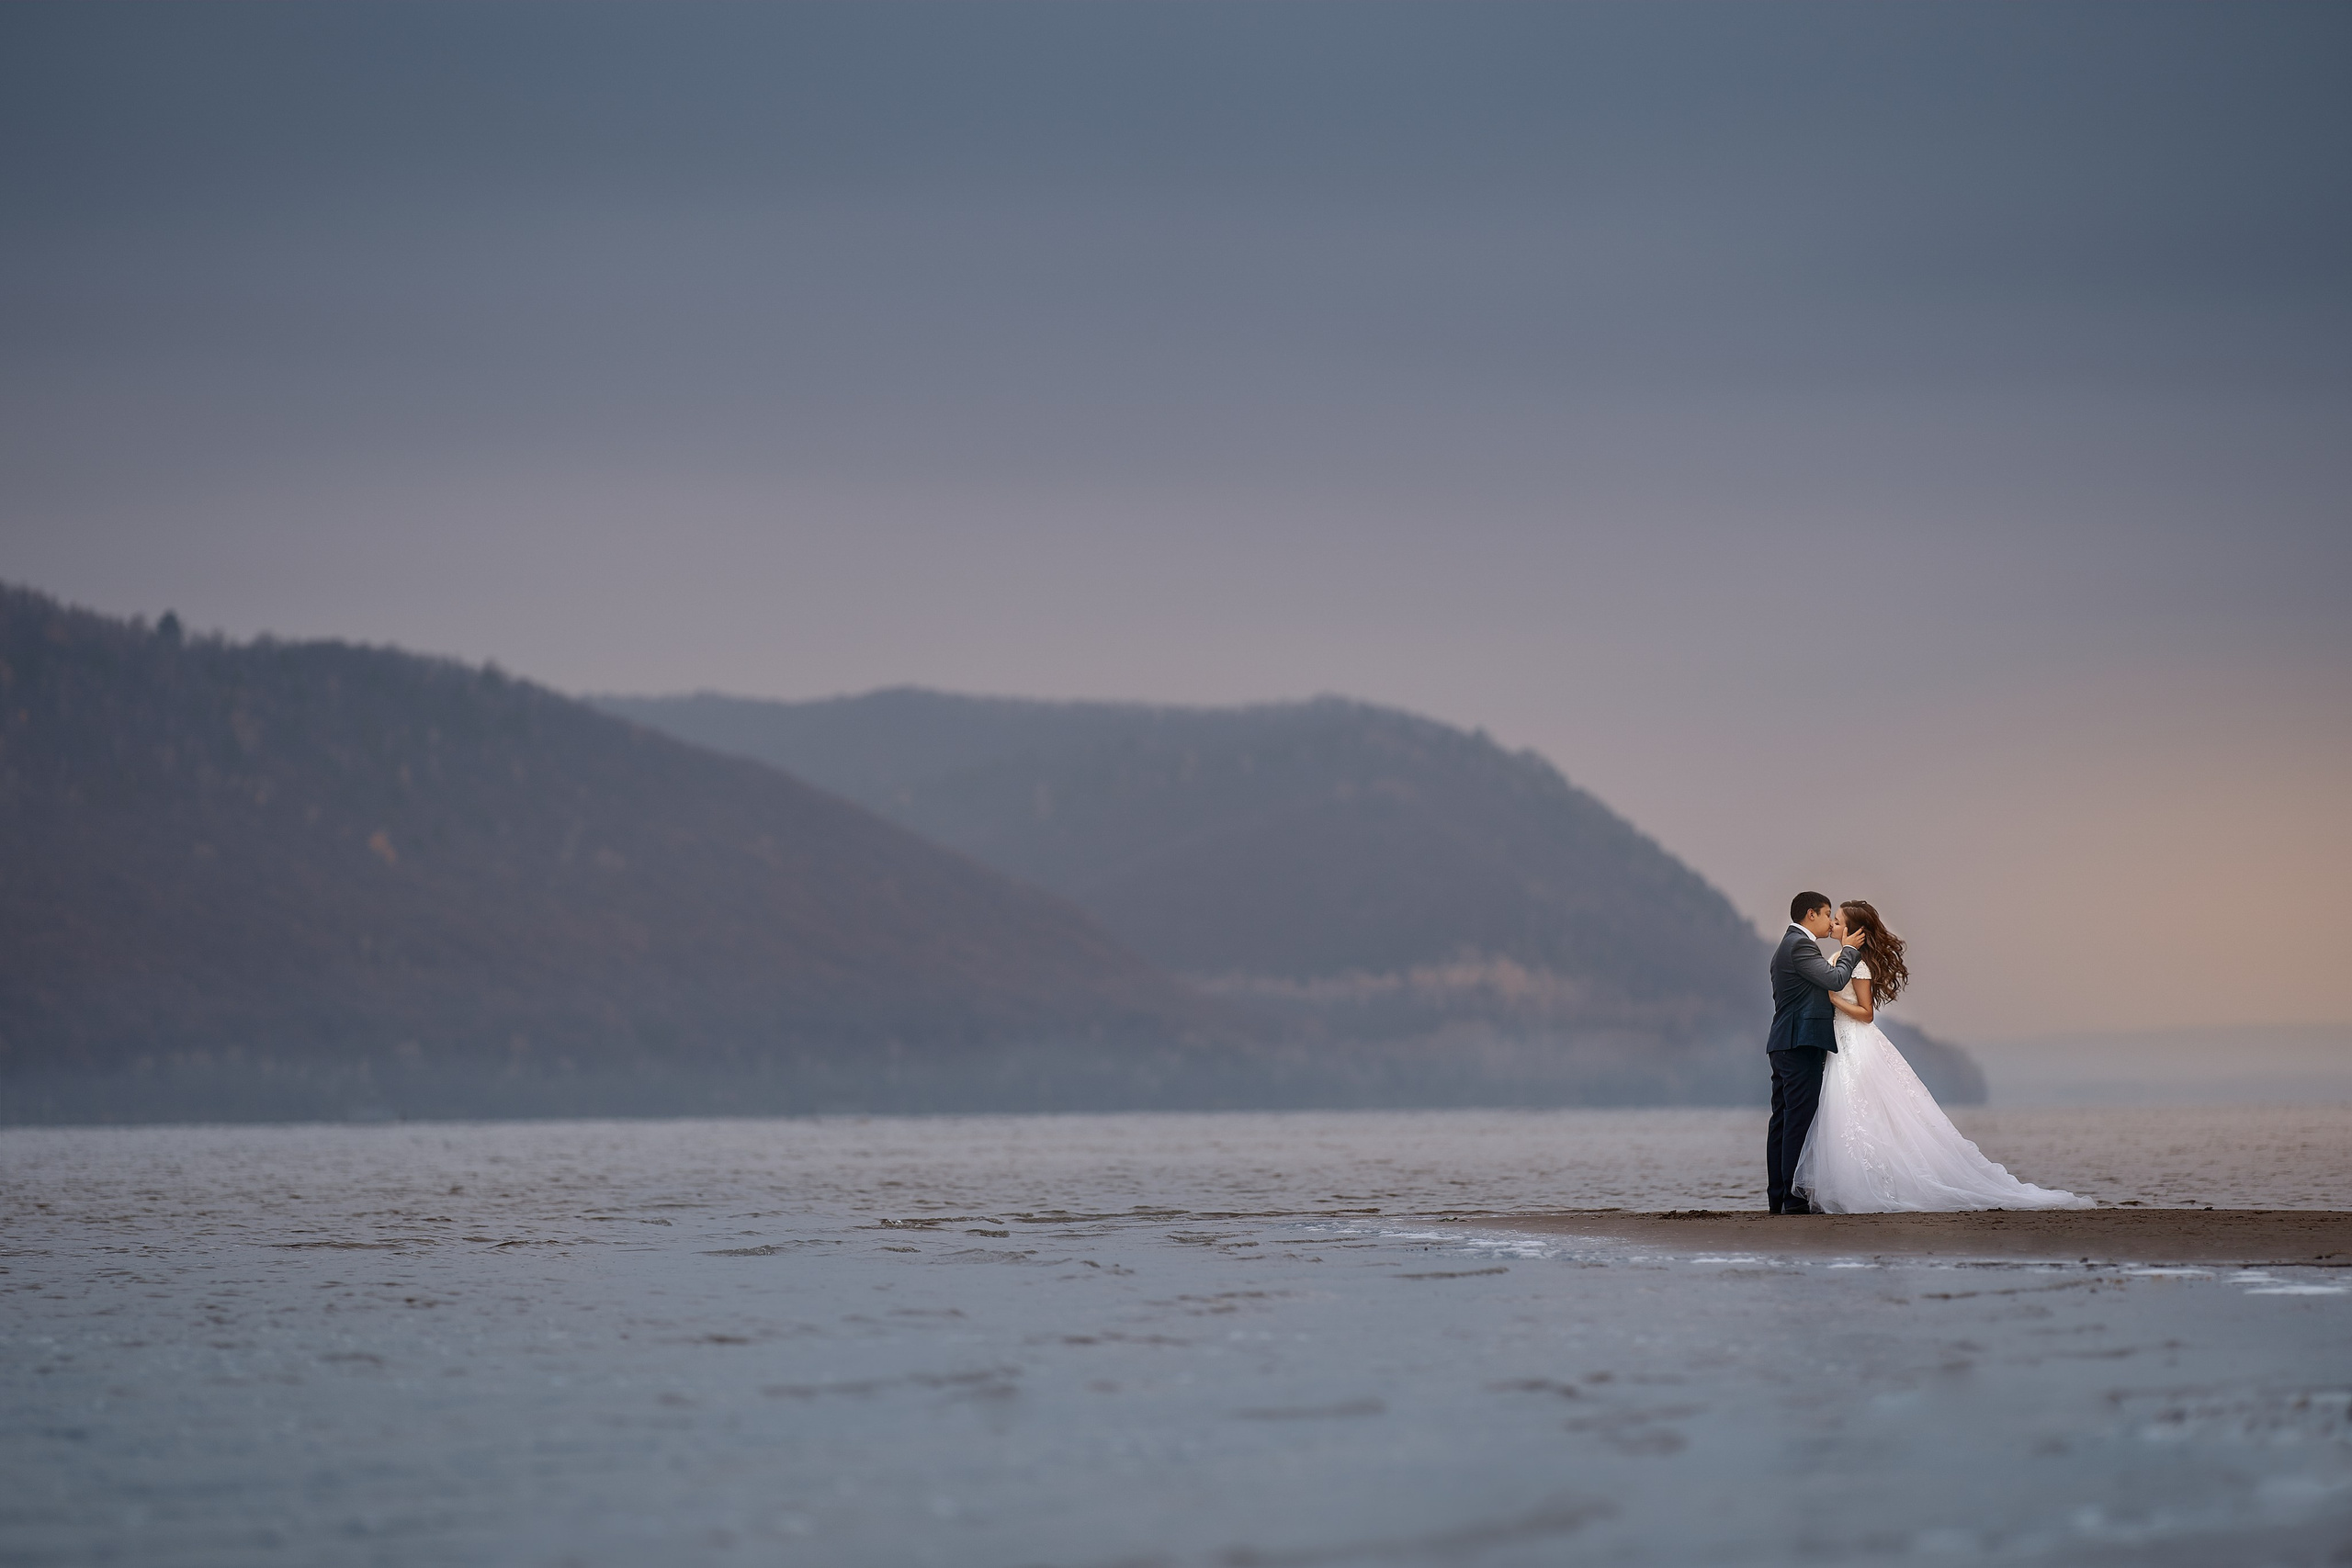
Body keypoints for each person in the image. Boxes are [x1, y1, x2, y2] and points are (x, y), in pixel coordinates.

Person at [1791, 899, 2089, 1213]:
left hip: (1857, 1043)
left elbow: (1866, 1014)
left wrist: (1832, 1000)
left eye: (1838, 921)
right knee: (1845, 1114)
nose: (1833, 924)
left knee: (1860, 1112)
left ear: (1854, 931)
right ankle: (1852, 1184)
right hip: (1840, 1044)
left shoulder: (1859, 965)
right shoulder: (1837, 958)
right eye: (1833, 919)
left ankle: (1874, 1186)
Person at [1765, 892, 1865, 1214]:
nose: (1830, 922)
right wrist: (1850, 950)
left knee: (1783, 1121)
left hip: (1785, 1043)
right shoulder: (1800, 946)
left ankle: (1780, 1197)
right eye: (1826, 914)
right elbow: (1835, 979)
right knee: (1798, 1120)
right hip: (1800, 1044)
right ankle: (1793, 1199)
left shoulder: (1787, 945)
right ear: (1811, 914)